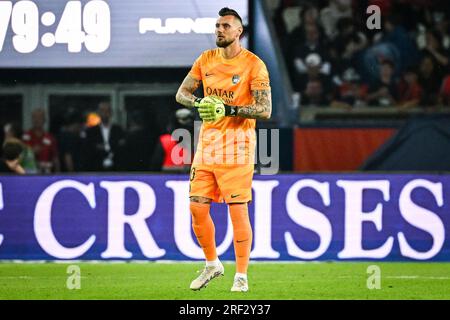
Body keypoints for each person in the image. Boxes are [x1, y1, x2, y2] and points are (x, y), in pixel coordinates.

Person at [175, 7, 271, 292]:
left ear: (238, 31)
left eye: (226, 26)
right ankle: (212, 264)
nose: (219, 30)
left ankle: (241, 275)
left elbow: (265, 110)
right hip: (207, 146)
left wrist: (227, 108)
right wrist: (199, 104)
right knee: (196, 207)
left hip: (238, 148)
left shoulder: (254, 65)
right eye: (217, 26)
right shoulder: (205, 59)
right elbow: (182, 94)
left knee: (237, 211)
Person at [82, 101, 125, 171]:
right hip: (96, 167)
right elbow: (88, 149)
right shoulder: (91, 131)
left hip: (116, 168)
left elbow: (121, 148)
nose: (105, 113)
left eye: (107, 111)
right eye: (102, 111)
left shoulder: (118, 130)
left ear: (111, 113)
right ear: (98, 113)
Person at [22, 108, 60, 173]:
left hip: (46, 173)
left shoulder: (50, 137)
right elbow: (19, 157)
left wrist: (58, 174)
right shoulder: (25, 136)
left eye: (40, 117)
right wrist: (31, 151)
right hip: (28, 174)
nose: (37, 120)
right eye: (34, 117)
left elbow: (55, 158)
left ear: (44, 120)